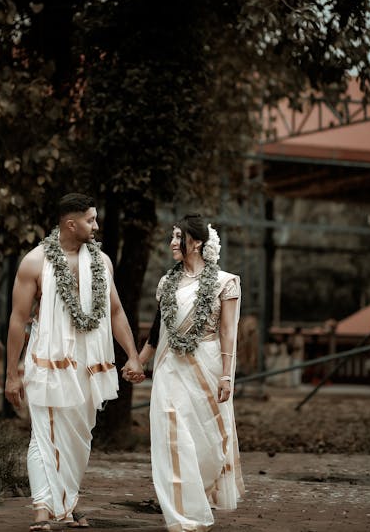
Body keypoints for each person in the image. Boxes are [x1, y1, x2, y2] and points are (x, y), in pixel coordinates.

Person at [5, 193, 145, 532]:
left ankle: (64, 508)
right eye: (90, 220)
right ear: (71, 224)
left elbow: (114, 311)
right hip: (47, 360)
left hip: (89, 365)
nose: (96, 226)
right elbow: (17, 320)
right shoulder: (35, 262)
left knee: (80, 437)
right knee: (44, 434)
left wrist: (133, 355)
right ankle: (42, 507)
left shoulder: (103, 263)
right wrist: (11, 373)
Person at [136, 214, 244, 531]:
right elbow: (157, 331)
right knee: (171, 436)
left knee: (207, 443)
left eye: (178, 237)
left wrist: (226, 375)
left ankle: (199, 495)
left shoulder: (226, 282)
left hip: (208, 367)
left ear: (195, 243)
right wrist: (138, 361)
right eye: (172, 236)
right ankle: (183, 516)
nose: (172, 243)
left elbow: (228, 333)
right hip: (169, 368)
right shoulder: (166, 283)